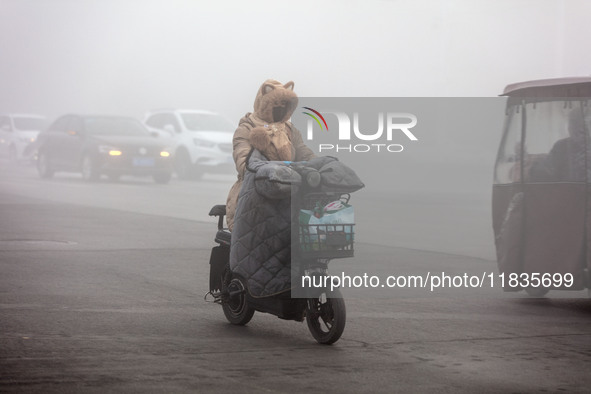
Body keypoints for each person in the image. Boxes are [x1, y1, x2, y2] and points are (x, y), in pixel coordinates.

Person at [225, 79, 315, 230]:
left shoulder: (289, 129)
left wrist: (317, 164)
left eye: (284, 106)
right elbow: (243, 160)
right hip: (254, 191)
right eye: (275, 105)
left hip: (291, 189)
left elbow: (303, 151)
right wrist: (263, 170)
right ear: (264, 103)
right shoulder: (247, 127)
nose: (280, 109)